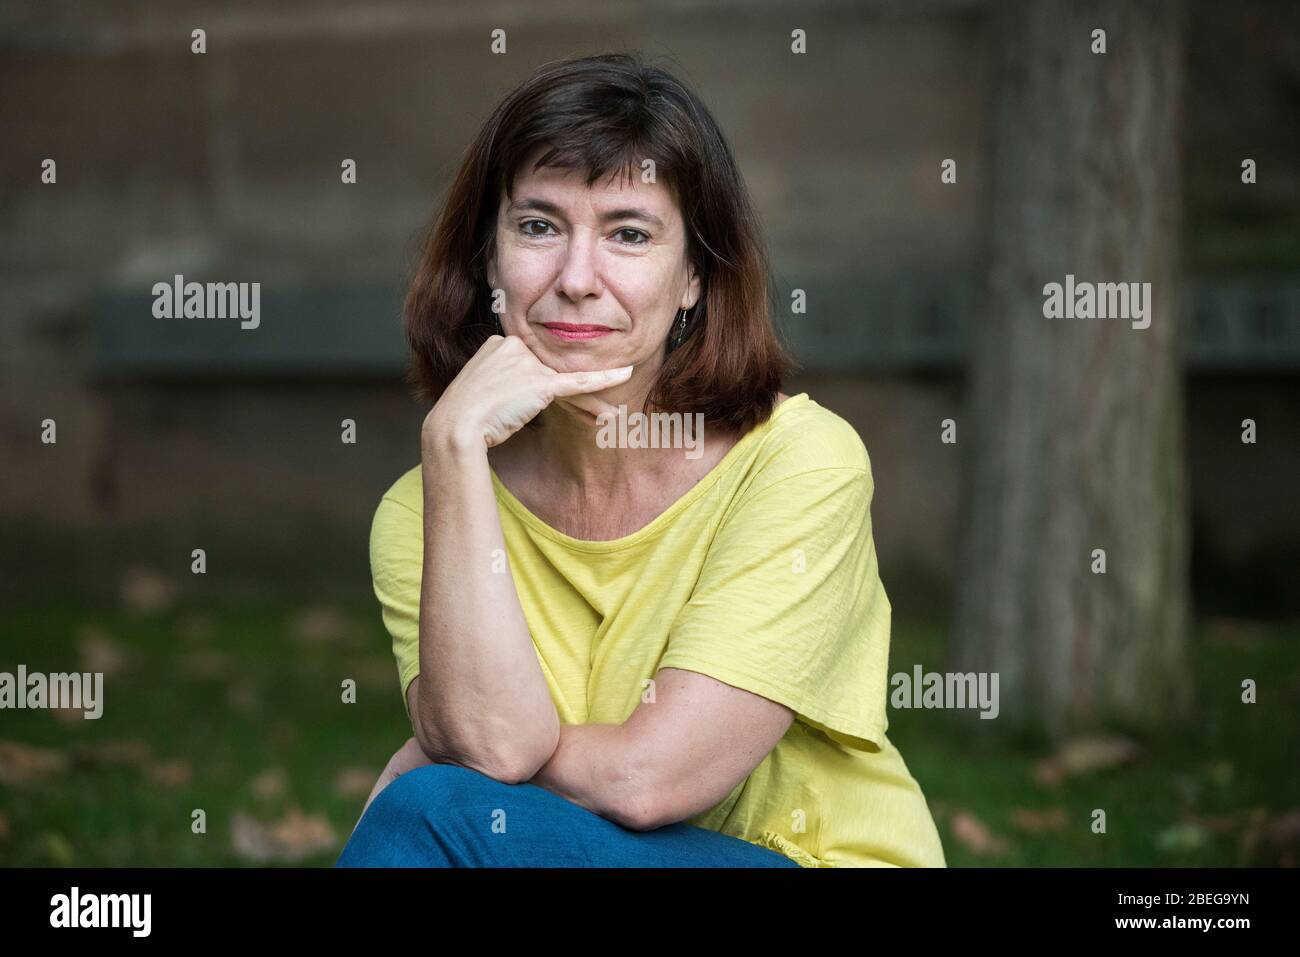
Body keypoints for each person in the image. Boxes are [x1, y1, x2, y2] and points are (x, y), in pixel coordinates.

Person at [337, 52, 945, 868]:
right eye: (539, 226)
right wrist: (452, 446)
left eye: (628, 233)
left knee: (436, 813)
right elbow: (491, 747)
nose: (577, 279)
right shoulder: (429, 505)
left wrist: (438, 757)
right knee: (443, 812)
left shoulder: (801, 462)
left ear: (694, 275)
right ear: (489, 262)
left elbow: (650, 778)